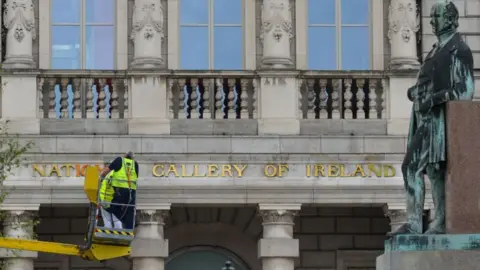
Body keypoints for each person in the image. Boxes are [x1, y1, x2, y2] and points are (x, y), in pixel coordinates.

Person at [388, 1, 474, 236]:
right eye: (432, 16)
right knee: (417, 168)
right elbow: (430, 83)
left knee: (423, 169)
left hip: (441, 121)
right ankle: (422, 223)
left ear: (451, 19)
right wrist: (416, 92)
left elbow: (464, 92)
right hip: (425, 120)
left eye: (437, 17)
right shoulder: (435, 50)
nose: (432, 21)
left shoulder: (460, 50)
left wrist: (432, 99)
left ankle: (433, 222)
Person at [101, 151, 139, 230]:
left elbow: (106, 171)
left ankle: (115, 227)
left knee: (113, 208)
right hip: (132, 192)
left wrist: (101, 177)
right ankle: (129, 229)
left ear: (124, 156)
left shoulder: (119, 160)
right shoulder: (135, 164)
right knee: (129, 211)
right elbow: (136, 176)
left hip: (120, 190)